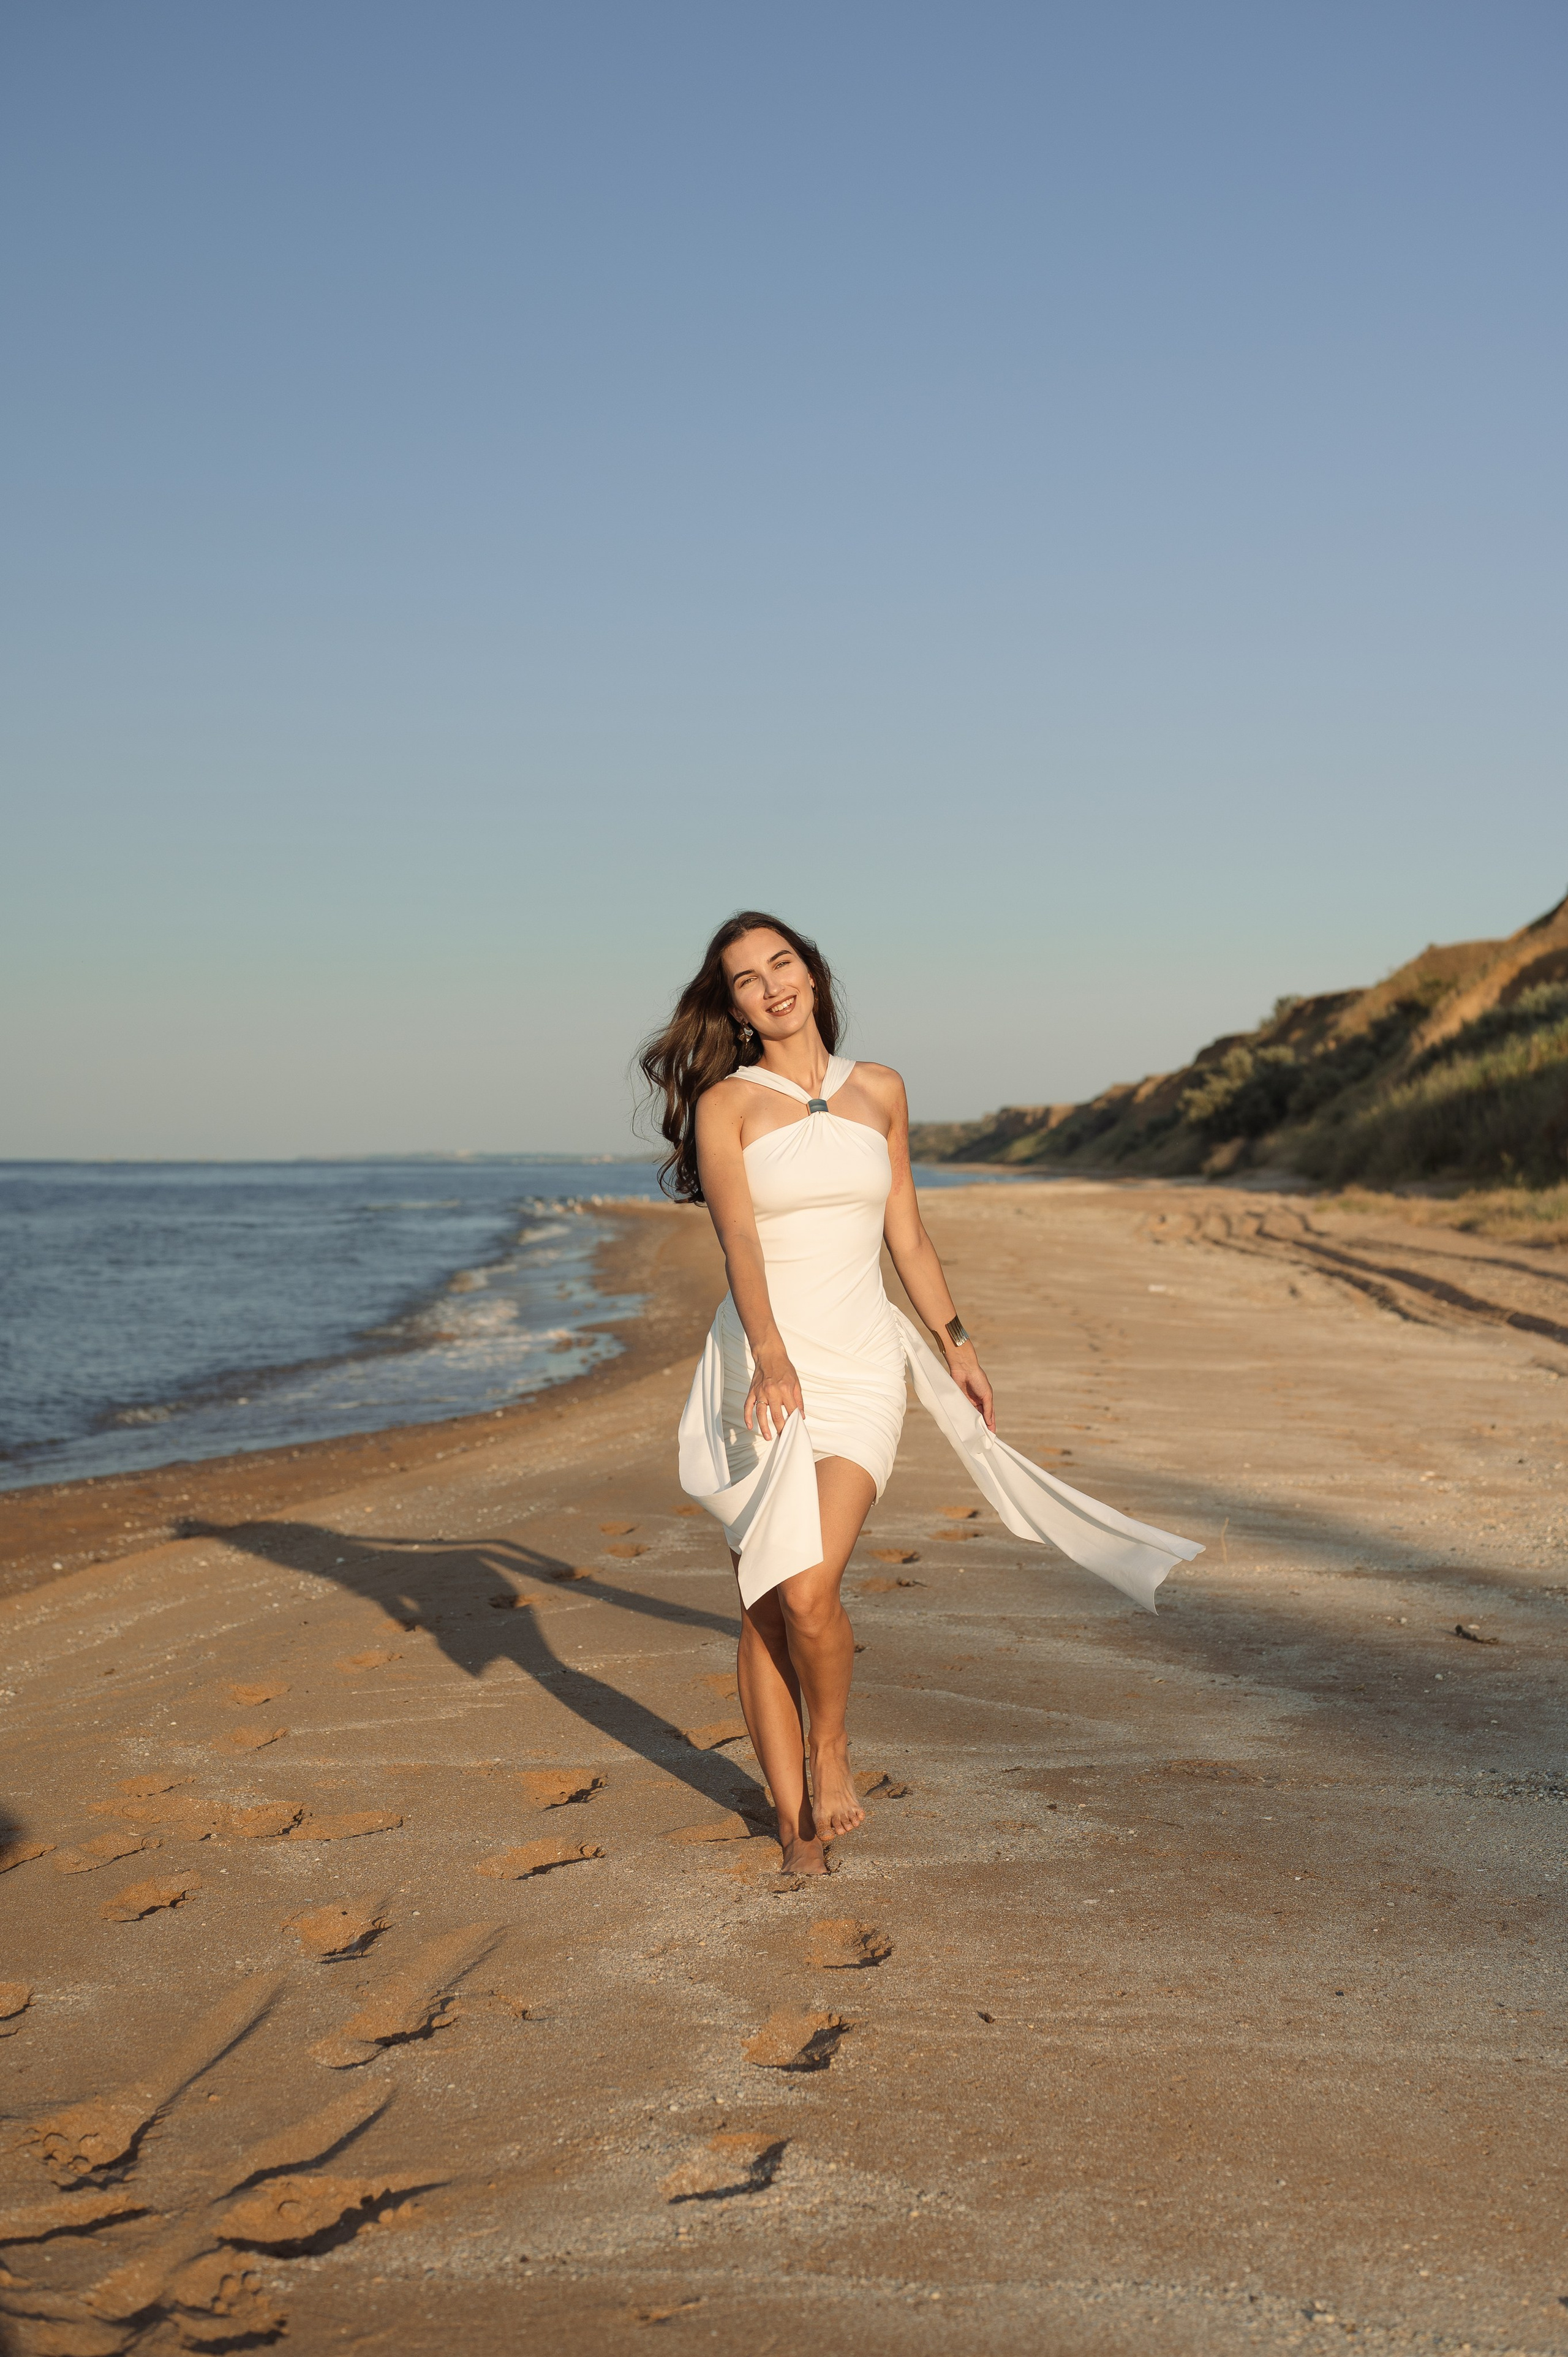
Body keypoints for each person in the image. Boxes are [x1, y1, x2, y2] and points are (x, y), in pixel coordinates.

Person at [639, 911, 1200, 1875]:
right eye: (746, 980)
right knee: (767, 1599)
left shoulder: (882, 1089)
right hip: (761, 1368)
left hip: (861, 1364)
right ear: (732, 1007)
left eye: (782, 964)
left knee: (810, 1587)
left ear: (813, 974)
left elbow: (907, 1233)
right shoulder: (727, 1105)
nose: (772, 987)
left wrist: (957, 1344)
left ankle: (829, 1748)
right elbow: (738, 1241)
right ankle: (794, 1826)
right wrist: (769, 1354)